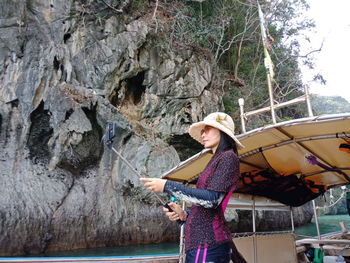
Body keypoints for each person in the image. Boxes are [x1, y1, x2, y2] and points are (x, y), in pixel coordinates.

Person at [140, 112, 247, 263]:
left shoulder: (228, 157)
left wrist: (167, 186)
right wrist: (184, 215)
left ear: (222, 131)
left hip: (208, 244)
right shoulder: (216, 159)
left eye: (207, 129)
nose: (203, 134)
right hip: (201, 243)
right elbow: (206, 209)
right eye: (202, 131)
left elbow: (212, 200)